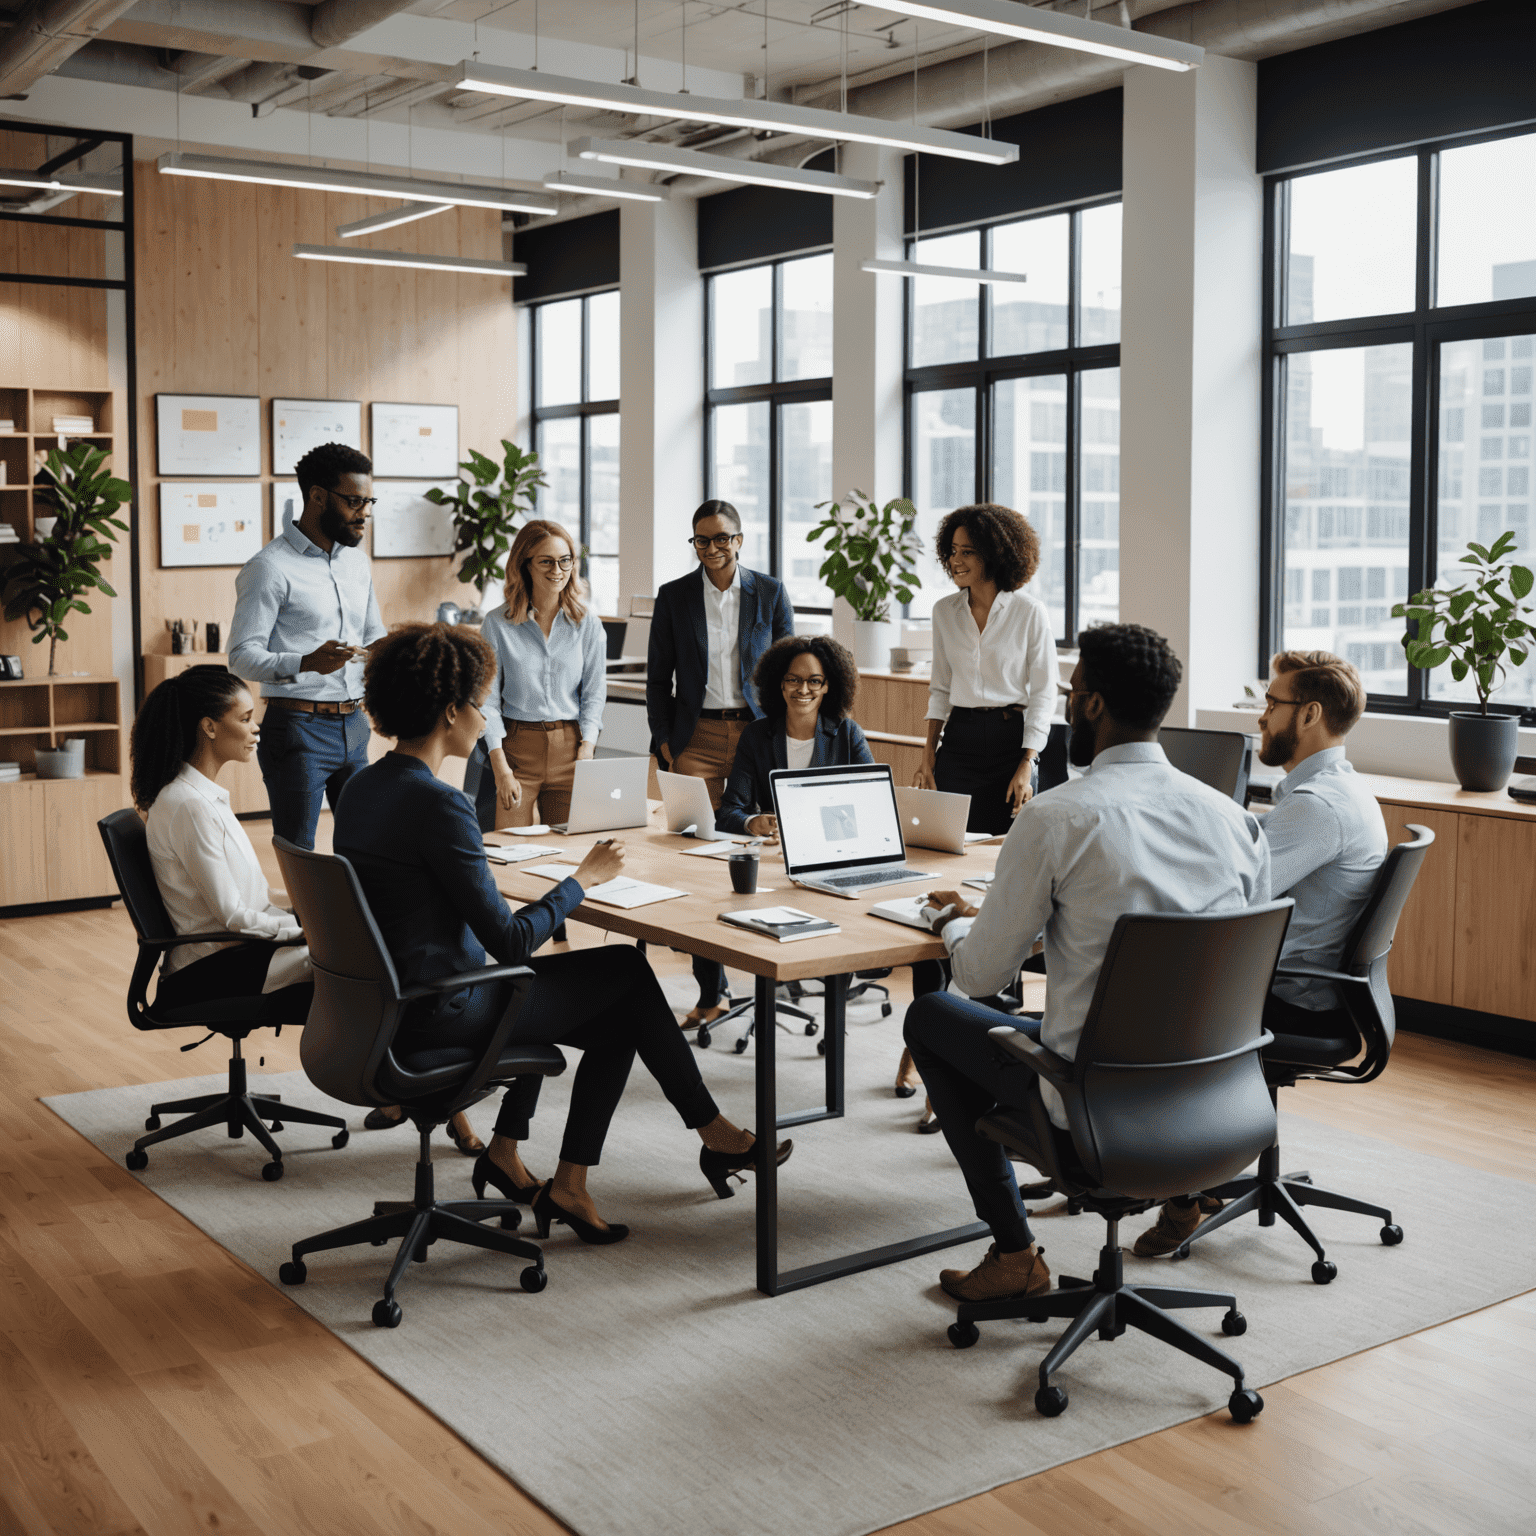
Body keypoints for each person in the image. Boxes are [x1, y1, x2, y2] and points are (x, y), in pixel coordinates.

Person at [332, 622, 790, 1244]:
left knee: (616, 999)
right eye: (480, 703)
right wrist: (581, 880)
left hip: (385, 1002)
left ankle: (549, 1168)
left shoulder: (362, 787)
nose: (486, 715)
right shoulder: (438, 804)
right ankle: (706, 1136)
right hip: (441, 1008)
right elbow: (513, 944)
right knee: (625, 978)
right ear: (450, 712)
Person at [903, 623, 1271, 1304]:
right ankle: (1182, 1197)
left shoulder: (1055, 818)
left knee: (931, 1014)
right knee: (1109, 1019)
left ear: (1092, 705)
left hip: (1094, 1101)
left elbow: (981, 979)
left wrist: (956, 923)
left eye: (1072, 692)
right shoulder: (1235, 821)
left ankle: (1015, 1253)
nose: (1069, 705)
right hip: (1214, 1096)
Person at [1131, 649, 1386, 1257]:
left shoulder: (1317, 808)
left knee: (1145, 1008)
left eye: (1272, 705)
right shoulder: (1337, 790)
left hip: (1296, 997)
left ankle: (1180, 1192)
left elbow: (1231, 894)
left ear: (1310, 715)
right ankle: (1201, 1172)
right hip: (1322, 990)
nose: (1261, 717)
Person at [897, 502, 1059, 1102]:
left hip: (1011, 743)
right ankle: (924, 1039)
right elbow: (940, 687)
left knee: (999, 884)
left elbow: (1043, 694)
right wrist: (928, 752)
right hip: (959, 740)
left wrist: (1027, 762)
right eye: (951, 552)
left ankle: (993, 1038)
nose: (955, 562)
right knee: (937, 873)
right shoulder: (945, 612)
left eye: (965, 552)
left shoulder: (1029, 613)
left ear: (994, 553)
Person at [646, 500, 794, 1029]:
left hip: (757, 733)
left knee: (768, 848)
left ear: (739, 539)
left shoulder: (770, 593)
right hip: (697, 734)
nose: (712, 549)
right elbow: (657, 675)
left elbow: (787, 667)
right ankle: (713, 991)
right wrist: (663, 740)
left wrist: (781, 735)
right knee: (697, 859)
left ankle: (778, 968)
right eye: (701, 540)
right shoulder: (674, 596)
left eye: (721, 538)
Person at [130, 665, 312, 1017]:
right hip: (210, 968)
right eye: (245, 719)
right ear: (209, 726)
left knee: (352, 956)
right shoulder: (190, 806)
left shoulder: (199, 798)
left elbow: (255, 896)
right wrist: (306, 930)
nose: (255, 727)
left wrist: (314, 911)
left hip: (233, 953)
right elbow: (233, 916)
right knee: (352, 969)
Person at [229, 441, 384, 851]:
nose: (364, 512)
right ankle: (303, 919)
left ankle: (353, 919)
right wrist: (307, 662)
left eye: (368, 500)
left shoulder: (358, 563)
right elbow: (241, 656)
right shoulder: (269, 567)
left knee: (366, 844)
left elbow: (373, 635)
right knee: (299, 850)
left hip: (355, 724)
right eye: (353, 501)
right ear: (317, 496)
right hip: (298, 729)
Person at [479, 518, 607, 830]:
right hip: (516, 749)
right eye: (546, 561)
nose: (557, 570)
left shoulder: (587, 624)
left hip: (572, 749)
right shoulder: (497, 624)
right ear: (525, 565)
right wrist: (501, 768)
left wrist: (586, 750)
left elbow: (593, 694)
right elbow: (487, 701)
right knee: (508, 848)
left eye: (565, 561)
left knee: (569, 848)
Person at [714, 635, 873, 838]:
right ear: (780, 683)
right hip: (776, 853)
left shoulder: (849, 734)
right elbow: (728, 812)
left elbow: (872, 804)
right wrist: (753, 823)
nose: (803, 689)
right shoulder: (756, 735)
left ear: (827, 686)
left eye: (814, 681)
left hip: (833, 844)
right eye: (793, 679)